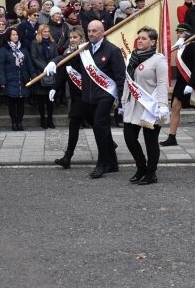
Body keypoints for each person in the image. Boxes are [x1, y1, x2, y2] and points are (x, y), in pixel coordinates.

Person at [45, 20, 125, 179]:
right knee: (101, 128)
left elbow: (120, 77)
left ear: (102, 32)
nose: (91, 33)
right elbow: (65, 58)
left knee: (99, 126)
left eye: (95, 31)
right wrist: (53, 62)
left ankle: (102, 164)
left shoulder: (112, 50)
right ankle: (112, 163)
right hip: (89, 96)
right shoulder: (85, 49)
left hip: (105, 95)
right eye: (89, 31)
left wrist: (122, 102)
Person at [121, 26, 169, 185]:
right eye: (139, 38)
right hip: (132, 105)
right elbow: (127, 81)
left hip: (150, 107)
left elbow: (162, 84)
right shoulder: (131, 57)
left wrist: (162, 105)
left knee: (150, 142)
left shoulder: (158, 59)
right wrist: (122, 100)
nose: (139, 40)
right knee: (129, 138)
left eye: (144, 38)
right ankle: (141, 167)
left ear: (153, 41)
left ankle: (151, 173)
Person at [52, 26, 88, 168]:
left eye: (75, 37)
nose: (72, 40)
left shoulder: (86, 52)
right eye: (70, 37)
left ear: (82, 38)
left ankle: (67, 157)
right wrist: (55, 88)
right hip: (75, 95)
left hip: (86, 95)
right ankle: (111, 145)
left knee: (74, 124)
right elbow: (64, 73)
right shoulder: (68, 52)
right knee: (92, 124)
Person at [0, 27, 35, 131]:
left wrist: (32, 76)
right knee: (11, 103)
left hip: (22, 79)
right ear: (9, 37)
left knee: (21, 103)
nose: (15, 36)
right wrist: (2, 81)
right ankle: (13, 122)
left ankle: (19, 122)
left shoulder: (23, 49)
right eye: (13, 35)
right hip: (10, 79)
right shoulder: (4, 50)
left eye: (16, 35)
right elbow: (1, 67)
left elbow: (29, 64)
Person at [31, 24, 58, 129]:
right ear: (40, 32)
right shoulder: (35, 43)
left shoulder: (53, 43)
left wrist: (50, 67)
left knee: (50, 100)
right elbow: (34, 57)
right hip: (40, 73)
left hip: (51, 73)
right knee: (41, 100)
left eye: (48, 31)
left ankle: (50, 120)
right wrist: (44, 68)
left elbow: (56, 57)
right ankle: (43, 119)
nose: (46, 33)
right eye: (44, 31)